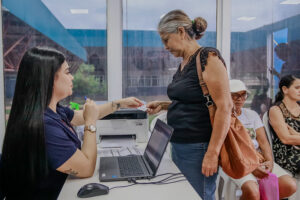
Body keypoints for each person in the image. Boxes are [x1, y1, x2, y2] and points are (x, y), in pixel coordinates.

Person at [0, 47, 143, 199]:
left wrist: (119, 104)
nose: (72, 77)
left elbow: (81, 116)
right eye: (67, 72)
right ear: (49, 78)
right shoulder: (43, 127)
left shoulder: (51, 110)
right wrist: (91, 123)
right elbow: (87, 168)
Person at [146, 10, 232, 199]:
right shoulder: (185, 62)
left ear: (181, 32)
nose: (165, 47)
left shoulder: (208, 58)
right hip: (180, 143)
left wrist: (212, 153)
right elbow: (194, 99)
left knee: (199, 195)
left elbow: (225, 108)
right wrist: (164, 105)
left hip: (199, 147)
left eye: (166, 40)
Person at [227, 79, 296, 200]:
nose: (240, 99)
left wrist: (269, 161)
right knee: (252, 193)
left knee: (289, 185)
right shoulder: (222, 117)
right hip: (237, 162)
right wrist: (252, 167)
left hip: (258, 158)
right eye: (235, 95)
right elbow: (230, 150)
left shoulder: (251, 114)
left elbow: (263, 142)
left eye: (243, 95)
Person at [269, 75, 300, 176]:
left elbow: (292, 137)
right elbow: (286, 139)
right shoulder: (276, 110)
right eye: (297, 88)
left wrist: (294, 134)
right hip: (287, 153)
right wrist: (295, 136)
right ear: (285, 89)